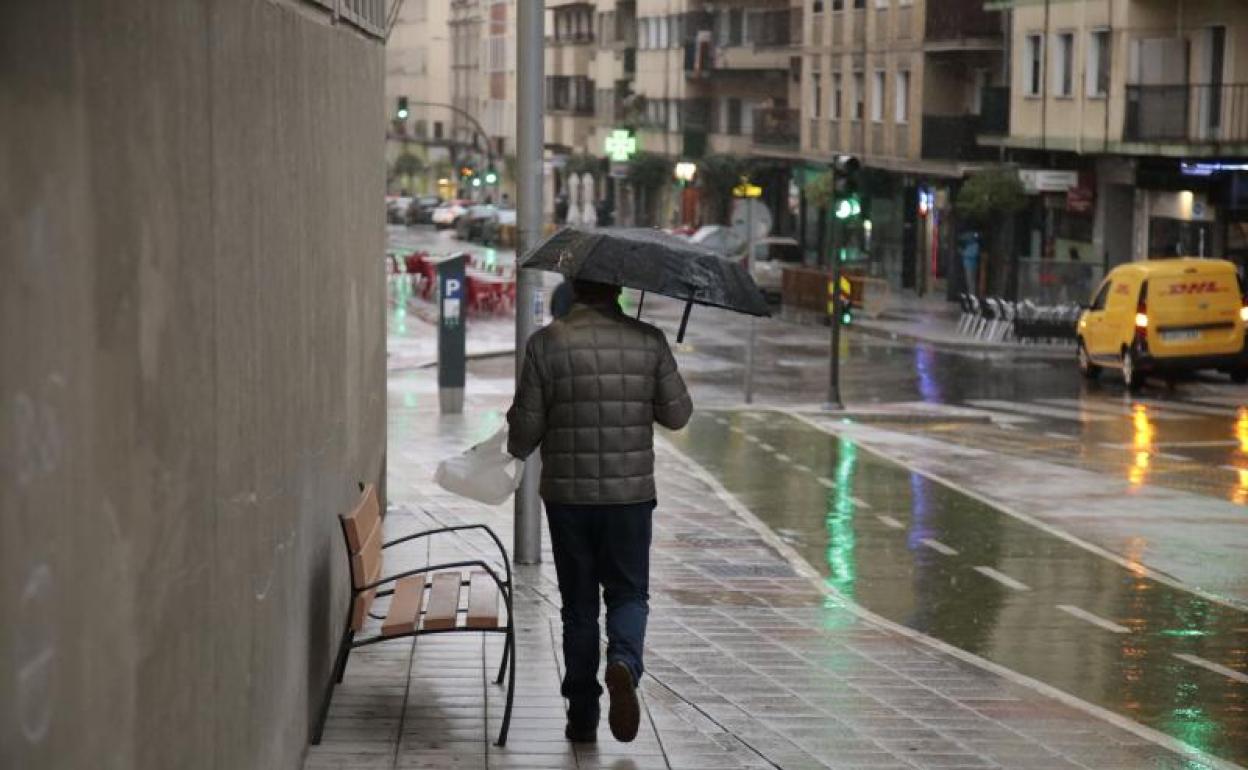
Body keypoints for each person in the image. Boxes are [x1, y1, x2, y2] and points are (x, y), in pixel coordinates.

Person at [506, 279, 693, 744]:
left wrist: (524, 424)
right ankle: (624, 663)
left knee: (579, 608)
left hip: (568, 501)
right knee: (629, 595)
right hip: (629, 499)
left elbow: (523, 435)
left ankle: (583, 714)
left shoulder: (545, 344)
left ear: (574, 289)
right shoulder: (648, 340)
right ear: (617, 290)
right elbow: (678, 415)